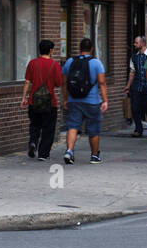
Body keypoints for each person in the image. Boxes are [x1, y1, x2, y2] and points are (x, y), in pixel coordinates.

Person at [62, 37, 107, 165]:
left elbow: (64, 83)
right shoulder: (96, 63)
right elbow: (102, 83)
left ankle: (69, 151)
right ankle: (94, 155)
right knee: (93, 129)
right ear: (91, 49)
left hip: (74, 100)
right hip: (92, 101)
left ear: (79, 48)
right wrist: (105, 100)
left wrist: (65, 99)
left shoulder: (70, 62)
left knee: (72, 126)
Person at [21, 39, 64, 160]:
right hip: (50, 102)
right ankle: (43, 154)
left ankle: (33, 142)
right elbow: (58, 83)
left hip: (33, 101)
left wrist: (24, 98)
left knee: (34, 125)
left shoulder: (32, 63)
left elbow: (27, 82)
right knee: (48, 128)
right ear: (50, 50)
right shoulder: (55, 65)